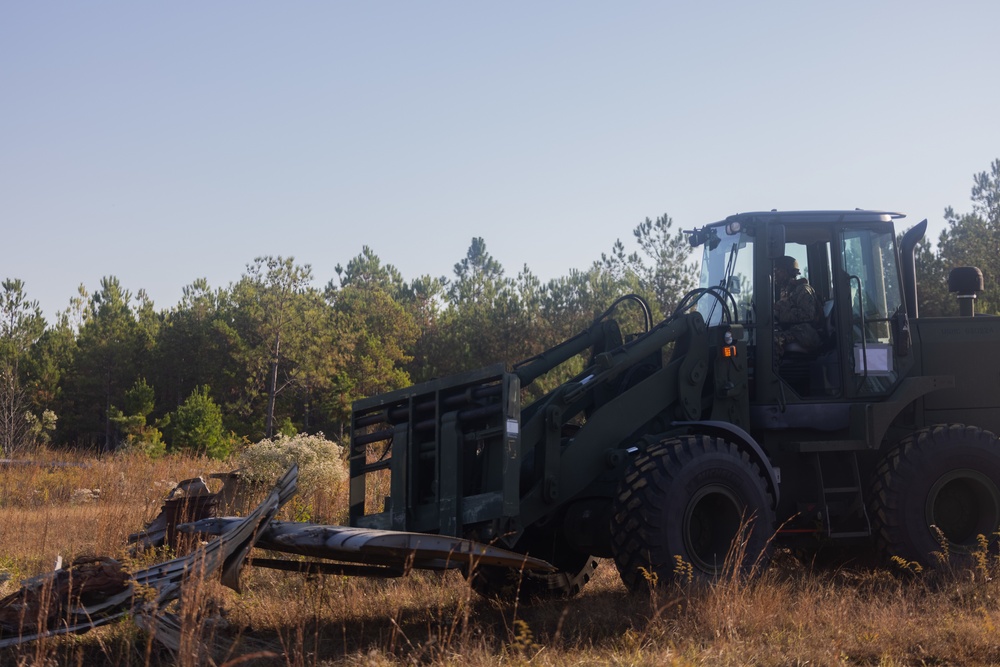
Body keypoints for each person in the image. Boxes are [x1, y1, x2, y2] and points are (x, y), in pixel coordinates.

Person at [773, 255, 823, 358]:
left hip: (804, 333)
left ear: (787, 272)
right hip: (796, 332)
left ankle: (771, 373)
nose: (775, 274)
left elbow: (808, 315)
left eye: (777, 270)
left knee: (772, 341)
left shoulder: (802, 289)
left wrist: (781, 311)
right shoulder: (787, 291)